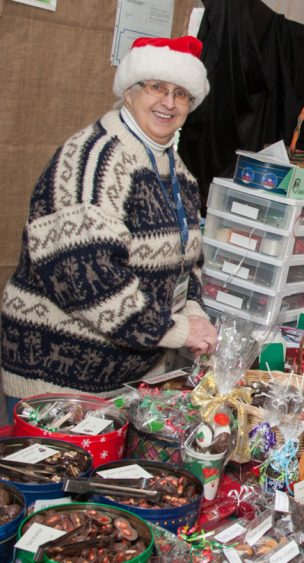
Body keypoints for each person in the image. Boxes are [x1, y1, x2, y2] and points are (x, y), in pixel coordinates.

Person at [0, 36, 219, 417]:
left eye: (181, 94)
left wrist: (196, 312)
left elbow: (190, 264)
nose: (168, 102)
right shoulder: (94, 160)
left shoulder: (178, 173)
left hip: (129, 382)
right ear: (130, 92)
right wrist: (177, 330)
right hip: (58, 379)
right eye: (157, 88)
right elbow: (86, 278)